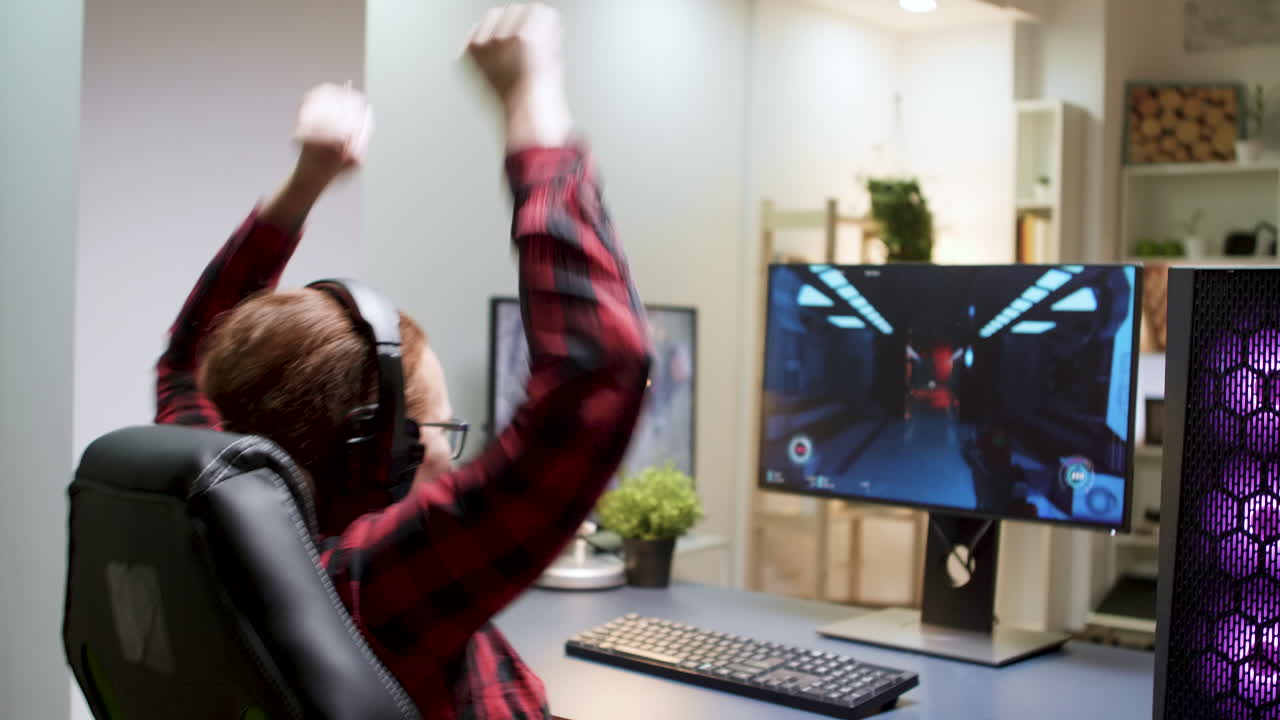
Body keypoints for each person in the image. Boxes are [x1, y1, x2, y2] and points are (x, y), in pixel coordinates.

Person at [153, 5, 652, 718]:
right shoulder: (367, 592)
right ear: (375, 459)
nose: (452, 456)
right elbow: (599, 368)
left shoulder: (215, 530)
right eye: (443, 433)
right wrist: (529, 100)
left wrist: (306, 180)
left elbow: (185, 359)